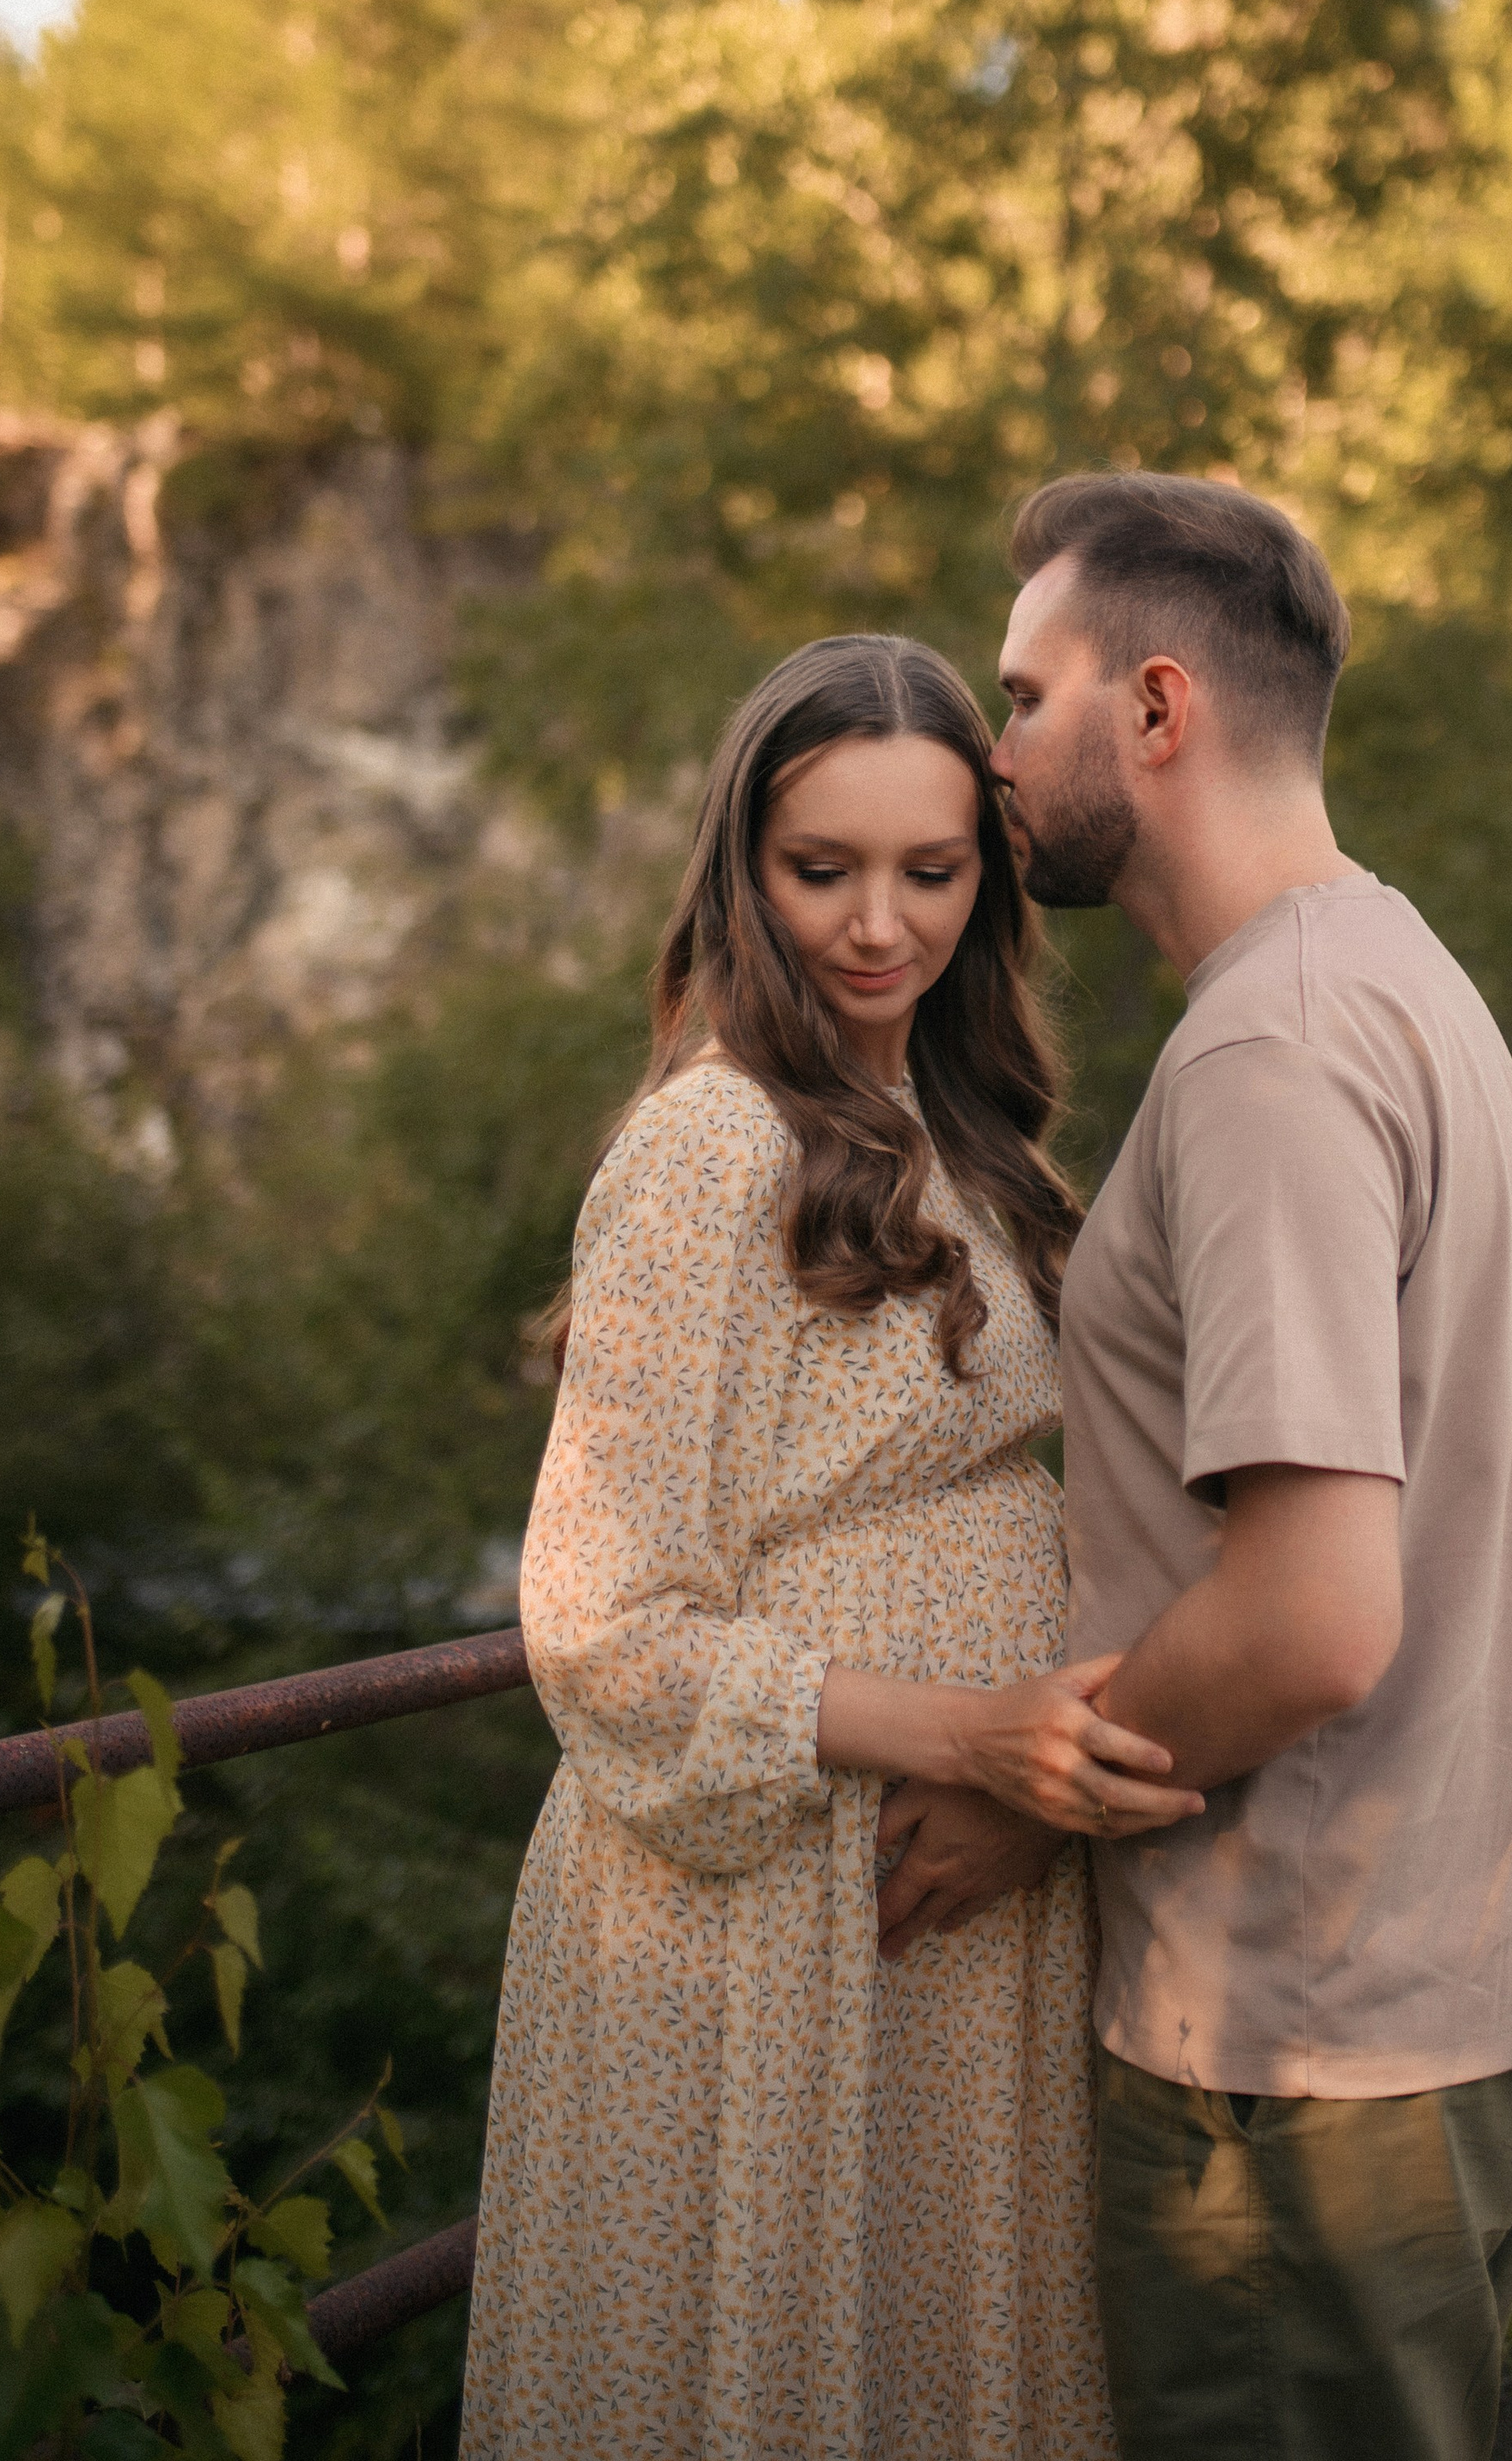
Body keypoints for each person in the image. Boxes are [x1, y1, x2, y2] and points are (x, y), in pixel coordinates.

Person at [882, 473, 1512, 2461]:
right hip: (1458, 1966)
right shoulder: (1397, 978)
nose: (986, 750)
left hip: (1304, 2034)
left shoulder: (1265, 1058)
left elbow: (1306, 1620)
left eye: (1018, 696)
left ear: (1152, 708)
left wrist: (1037, 1807)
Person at [461, 632, 1198, 2461]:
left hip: (934, 1911)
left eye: (930, 870)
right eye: (821, 869)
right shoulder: (707, 1149)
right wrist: (970, 1739)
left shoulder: (958, 1128)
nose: (878, 924)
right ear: (741, 869)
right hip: (764, 1918)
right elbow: (596, 1622)